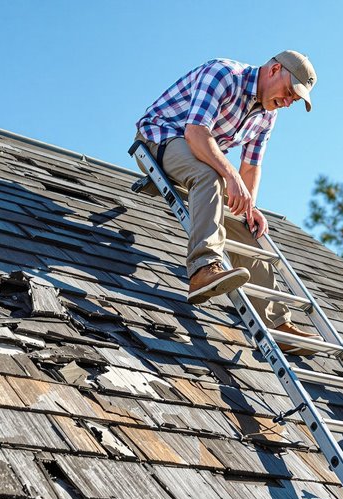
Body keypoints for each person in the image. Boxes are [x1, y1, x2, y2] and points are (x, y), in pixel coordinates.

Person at [133, 51, 321, 354]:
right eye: (288, 92)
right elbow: (196, 132)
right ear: (274, 70)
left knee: (246, 224)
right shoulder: (224, 75)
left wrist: (250, 207)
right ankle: (202, 269)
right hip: (161, 138)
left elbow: (251, 168)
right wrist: (229, 176)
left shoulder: (267, 115)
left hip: (200, 157)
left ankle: (276, 325)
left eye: (294, 101)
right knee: (211, 176)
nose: (287, 102)